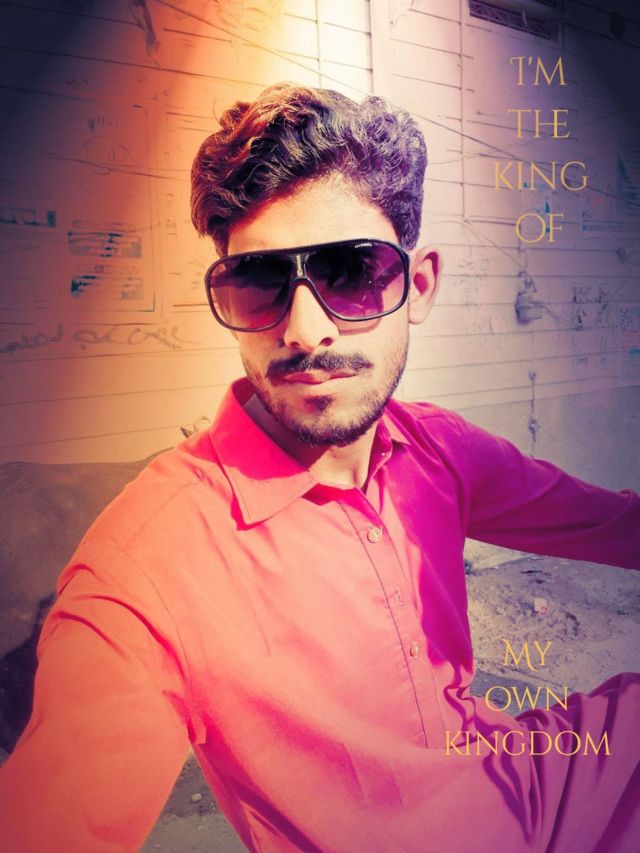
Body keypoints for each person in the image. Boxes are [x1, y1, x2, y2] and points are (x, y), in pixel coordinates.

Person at [0, 83, 638, 853]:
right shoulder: (150, 566)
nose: (304, 329)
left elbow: (615, 522)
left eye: (350, 271)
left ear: (417, 284)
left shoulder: (438, 449)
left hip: (535, 785)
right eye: (260, 282)